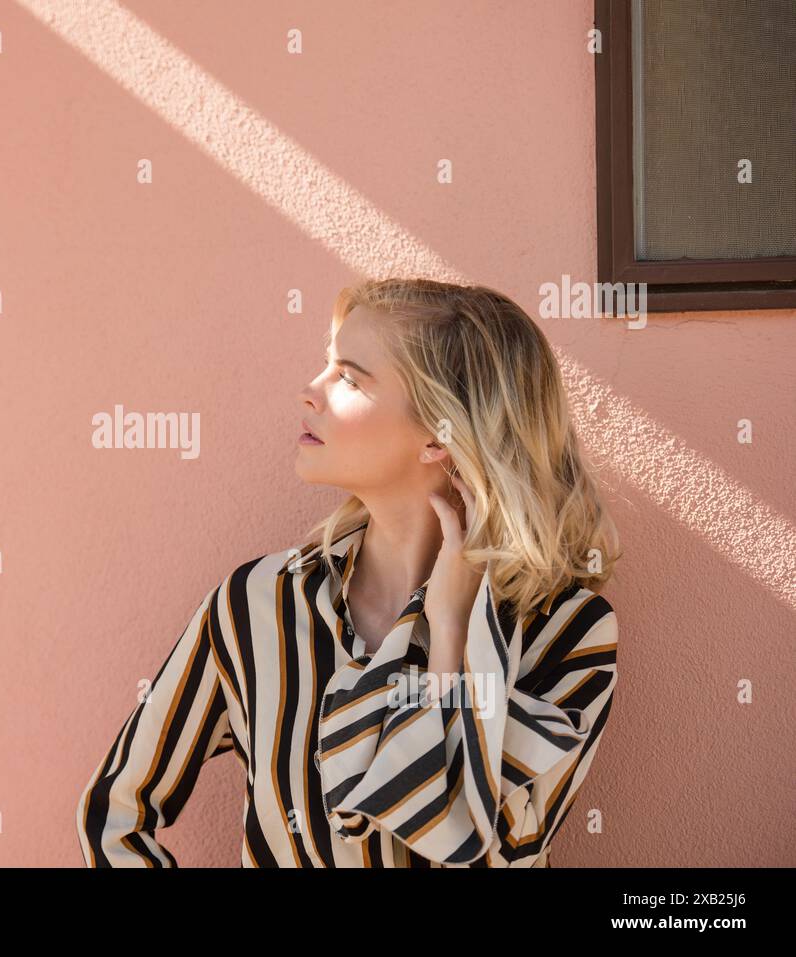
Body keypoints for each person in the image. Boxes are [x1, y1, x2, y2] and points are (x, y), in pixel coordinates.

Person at [75, 276, 623, 867]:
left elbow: (496, 852)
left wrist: (454, 636)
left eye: (348, 377)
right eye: (325, 366)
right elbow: (116, 814)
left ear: (441, 434)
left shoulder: (569, 630)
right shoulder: (257, 603)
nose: (309, 392)